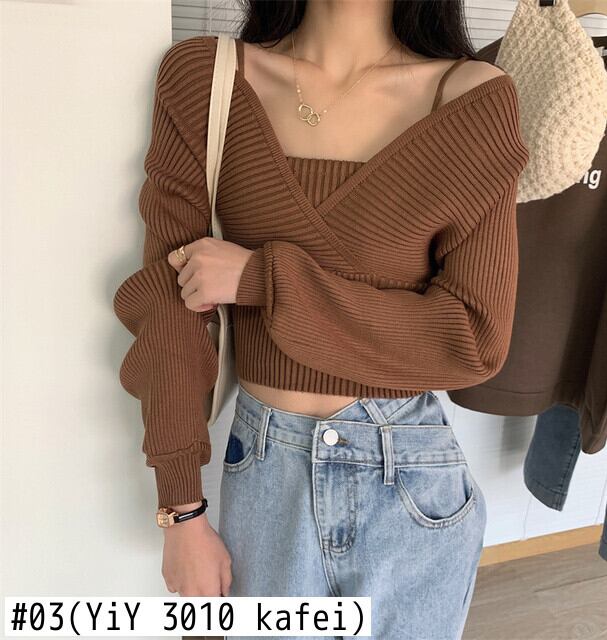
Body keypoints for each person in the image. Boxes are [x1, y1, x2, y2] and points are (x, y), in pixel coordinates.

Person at [112, 1, 529, 638]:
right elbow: (168, 306)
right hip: (265, 476)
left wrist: (265, 281)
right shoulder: (208, 79)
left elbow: (473, 338)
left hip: (410, 481)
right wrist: (181, 510)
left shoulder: (473, 98)